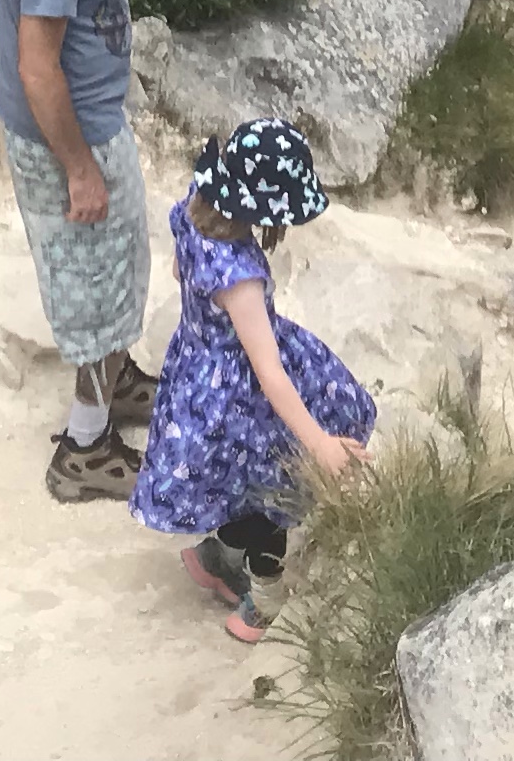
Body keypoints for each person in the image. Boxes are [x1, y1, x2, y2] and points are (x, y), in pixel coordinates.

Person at [0, 0, 167, 502]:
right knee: (99, 289)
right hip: (74, 133)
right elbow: (39, 68)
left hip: (80, 122)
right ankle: (86, 449)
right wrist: (80, 169)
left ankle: (116, 383)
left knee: (113, 268)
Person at [132, 120, 373, 644]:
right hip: (241, 389)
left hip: (200, 370)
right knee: (280, 482)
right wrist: (320, 446)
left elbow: (177, 271)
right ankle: (262, 603)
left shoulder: (193, 208)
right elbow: (270, 375)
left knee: (242, 478)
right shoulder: (239, 276)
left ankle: (217, 557)